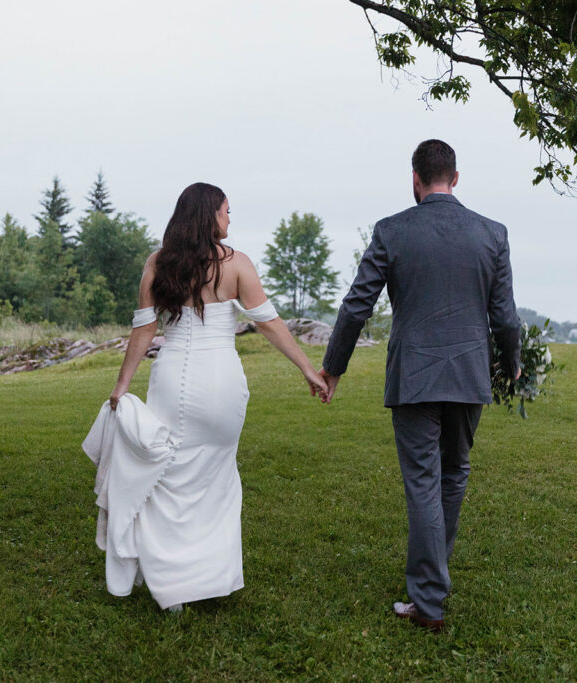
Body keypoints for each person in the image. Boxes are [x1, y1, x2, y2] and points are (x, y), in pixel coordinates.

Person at [85, 182, 327, 612]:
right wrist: (308, 368)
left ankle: (171, 585)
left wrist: (122, 386)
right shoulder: (237, 265)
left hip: (174, 378)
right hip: (222, 382)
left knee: (171, 477)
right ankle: (207, 580)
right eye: (227, 211)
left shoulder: (159, 264)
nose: (230, 219)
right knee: (216, 478)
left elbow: (144, 330)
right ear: (209, 216)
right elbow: (269, 323)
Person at [319, 140, 521, 632]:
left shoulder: (392, 231)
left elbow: (355, 305)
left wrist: (334, 367)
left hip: (415, 377)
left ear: (415, 178)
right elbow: (506, 317)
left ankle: (428, 599)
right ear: (455, 178)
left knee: (427, 483)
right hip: (469, 376)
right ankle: (432, 584)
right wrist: (512, 364)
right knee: (452, 475)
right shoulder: (492, 234)